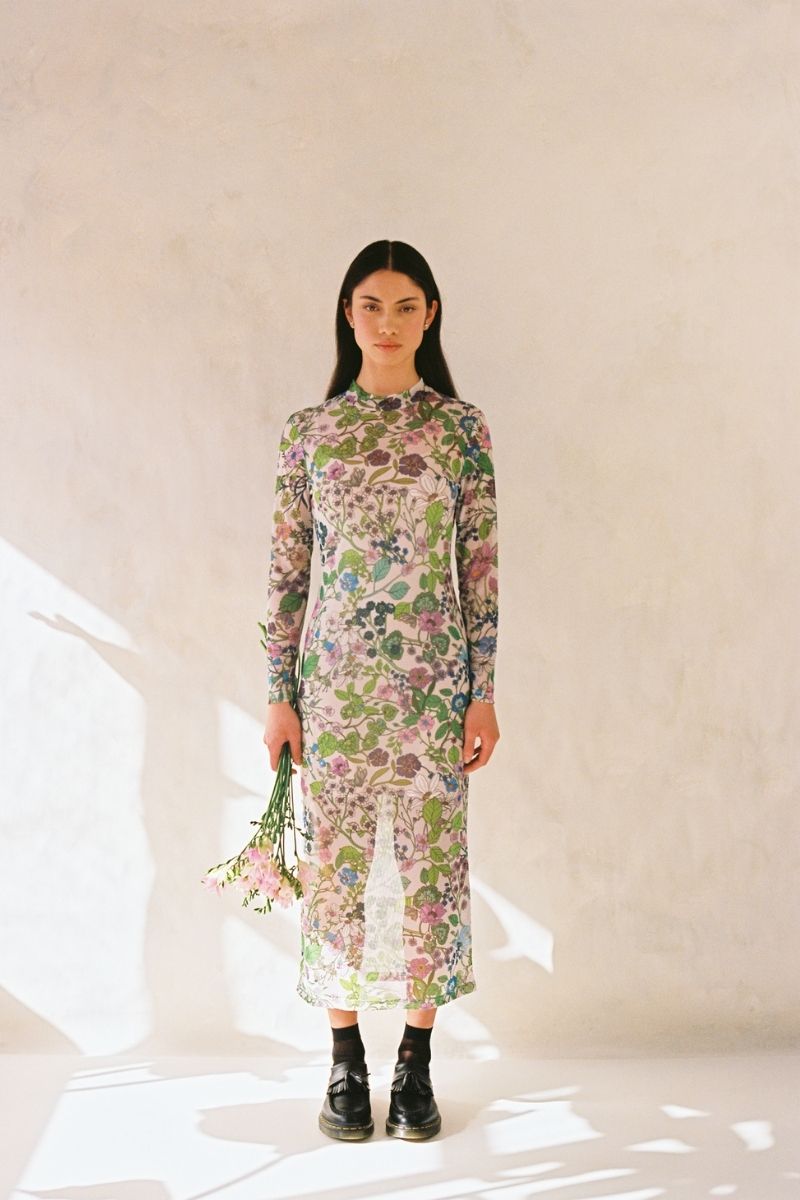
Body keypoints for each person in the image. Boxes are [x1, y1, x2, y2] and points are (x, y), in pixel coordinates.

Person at [262, 239, 500, 1141]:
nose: (388, 323)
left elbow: (479, 568)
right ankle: (344, 1061)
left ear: (430, 316)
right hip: (334, 691)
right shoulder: (311, 433)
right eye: (371, 305)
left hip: (436, 691)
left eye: (405, 306)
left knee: (433, 873)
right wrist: (278, 694)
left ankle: (417, 1063)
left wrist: (482, 690)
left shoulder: (460, 430)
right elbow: (288, 573)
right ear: (348, 314)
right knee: (336, 876)